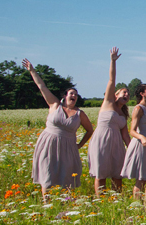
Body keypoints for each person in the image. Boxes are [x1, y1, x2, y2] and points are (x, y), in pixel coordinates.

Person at [24, 59, 94, 197]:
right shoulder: (55, 105)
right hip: (48, 144)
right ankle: (46, 203)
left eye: (76, 94)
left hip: (68, 148)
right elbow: (41, 86)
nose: (74, 95)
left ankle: (66, 204)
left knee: (67, 176)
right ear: (65, 96)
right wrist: (32, 71)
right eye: (71, 93)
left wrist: (80, 144)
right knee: (47, 174)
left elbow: (90, 130)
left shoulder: (80, 114)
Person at [88, 47, 131, 196]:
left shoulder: (123, 115)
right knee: (101, 175)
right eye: (124, 92)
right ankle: (100, 202)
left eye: (128, 94)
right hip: (101, 141)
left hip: (117, 145)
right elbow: (112, 79)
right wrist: (112, 61)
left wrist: (133, 150)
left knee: (117, 176)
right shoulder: (108, 102)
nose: (126, 94)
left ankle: (116, 202)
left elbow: (125, 136)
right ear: (115, 94)